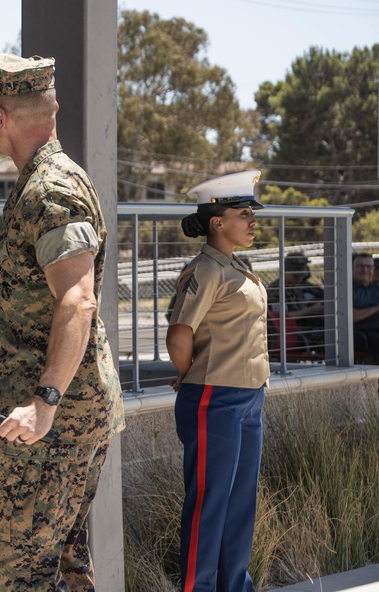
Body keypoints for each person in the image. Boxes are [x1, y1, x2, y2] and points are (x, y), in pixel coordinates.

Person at [0, 54, 125, 590]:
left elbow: (77, 301)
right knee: (66, 566)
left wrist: (45, 404)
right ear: (52, 109)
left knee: (19, 574)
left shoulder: (48, 191)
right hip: (67, 415)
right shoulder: (45, 180)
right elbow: (37, 290)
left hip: (49, 422)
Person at [166, 170, 269, 592]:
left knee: (240, 503)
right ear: (217, 222)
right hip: (215, 397)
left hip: (249, 397)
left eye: (252, 213)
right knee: (210, 504)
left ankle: (235, 586)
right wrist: (189, 375)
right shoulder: (205, 270)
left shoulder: (234, 266)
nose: (252, 220)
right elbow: (179, 334)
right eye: (243, 213)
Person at [265, 252, 325, 353]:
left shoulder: (301, 285)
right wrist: (310, 310)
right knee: (329, 336)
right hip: (294, 332)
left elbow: (323, 294)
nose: (300, 278)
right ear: (285, 271)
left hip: (311, 326)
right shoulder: (276, 290)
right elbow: (282, 318)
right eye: (296, 276)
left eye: (302, 275)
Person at [350, 253, 379, 355]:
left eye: (369, 267)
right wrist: (376, 308)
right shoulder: (346, 290)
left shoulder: (376, 289)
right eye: (361, 266)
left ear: (373, 270)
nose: (365, 270)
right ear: (352, 268)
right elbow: (349, 316)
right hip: (360, 333)